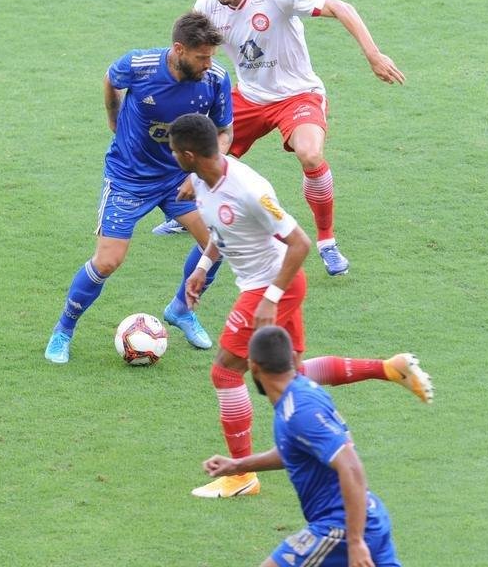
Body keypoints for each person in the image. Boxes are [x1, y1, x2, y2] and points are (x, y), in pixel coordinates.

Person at [168, 113, 431, 500]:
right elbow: (221, 229)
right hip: (267, 284)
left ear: (189, 154)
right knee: (293, 375)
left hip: (274, 284)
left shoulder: (248, 189)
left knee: (225, 373)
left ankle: (241, 477)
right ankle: (389, 369)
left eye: (174, 152)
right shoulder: (199, 180)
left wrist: (271, 298)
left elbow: (300, 244)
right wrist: (203, 268)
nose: (173, 158)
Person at [153, 0, 407, 278]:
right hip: (250, 96)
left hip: (297, 95)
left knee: (310, 154)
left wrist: (374, 55)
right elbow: (191, 49)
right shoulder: (206, 6)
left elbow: (342, 7)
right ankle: (188, 214)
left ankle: (327, 242)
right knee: (200, 149)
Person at [43, 12, 233, 364]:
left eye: (211, 57)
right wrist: (113, 117)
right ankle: (63, 331)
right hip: (129, 177)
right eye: (202, 57)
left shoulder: (216, 79)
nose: (210, 64)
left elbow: (224, 132)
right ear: (179, 50)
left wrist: (200, 173)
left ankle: (181, 309)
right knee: (108, 261)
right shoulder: (140, 65)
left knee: (218, 243)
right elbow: (110, 79)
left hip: (179, 178)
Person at [202, 326, 403, 567]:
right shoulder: (300, 393)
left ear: (253, 366)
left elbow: (351, 466)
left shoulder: (300, 411)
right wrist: (238, 465)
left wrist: (355, 541)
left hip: (340, 526)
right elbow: (297, 451)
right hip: (368, 517)